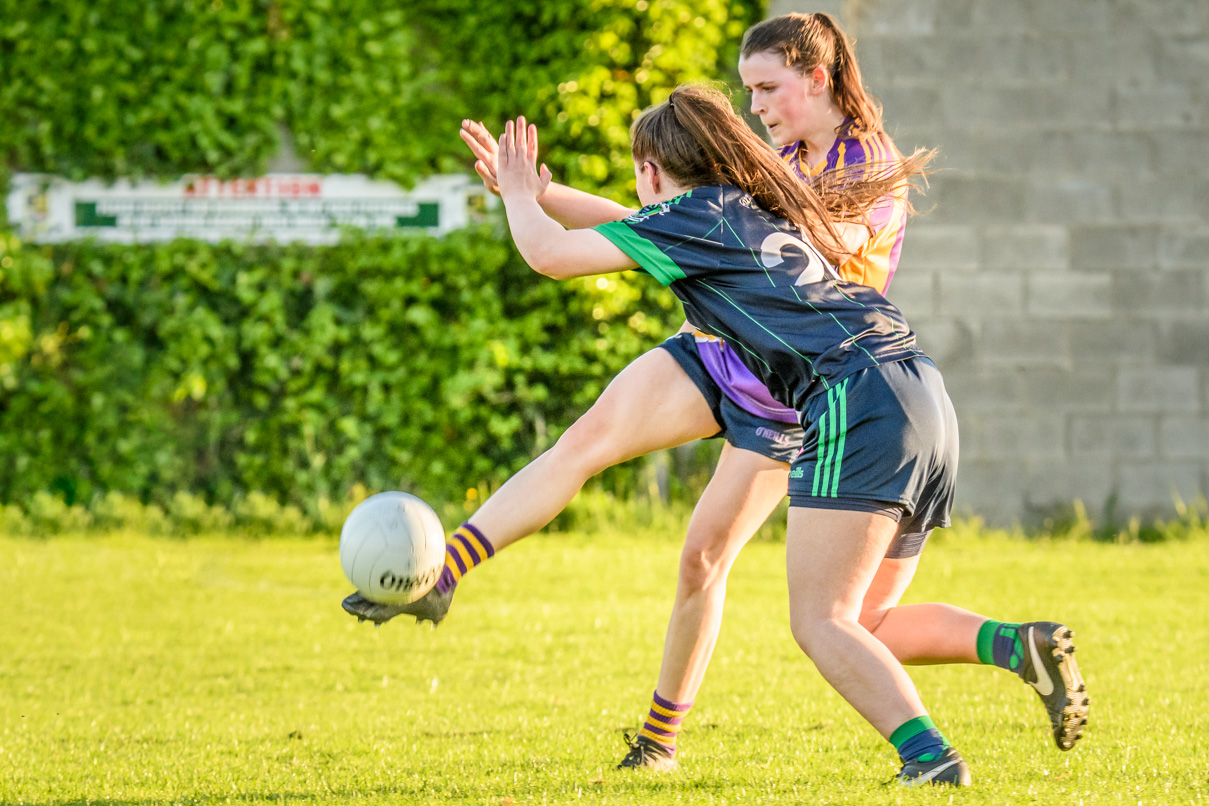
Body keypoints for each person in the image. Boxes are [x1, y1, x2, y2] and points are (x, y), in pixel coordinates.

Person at [344, 11, 1087, 773]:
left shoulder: (863, 166)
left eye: (767, 87)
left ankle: (926, 753)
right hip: (790, 359)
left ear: (816, 76)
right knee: (597, 455)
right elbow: (667, 228)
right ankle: (453, 579)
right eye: (746, 94)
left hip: (807, 389)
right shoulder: (762, 169)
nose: (757, 108)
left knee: (811, 610)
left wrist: (520, 200)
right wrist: (539, 191)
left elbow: (617, 244)